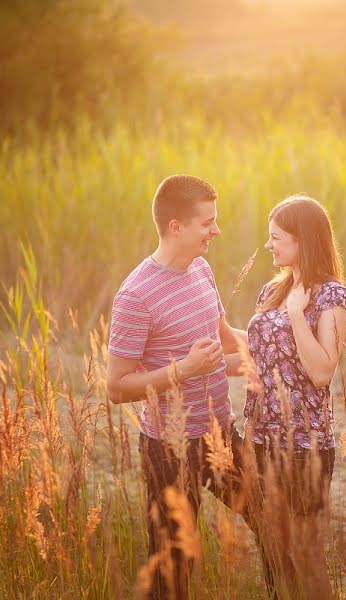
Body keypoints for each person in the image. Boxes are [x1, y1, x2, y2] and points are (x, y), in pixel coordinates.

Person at [105, 174, 249, 600]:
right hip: (167, 450)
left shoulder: (201, 269)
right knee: (171, 572)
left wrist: (277, 347)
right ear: (177, 227)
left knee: (274, 521)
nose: (216, 231)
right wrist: (184, 370)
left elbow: (226, 339)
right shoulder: (135, 296)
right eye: (208, 223)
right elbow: (116, 387)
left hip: (221, 434)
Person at [244, 194, 346, 600]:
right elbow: (261, 350)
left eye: (276, 237)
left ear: (302, 240)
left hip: (304, 446)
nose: (269, 245)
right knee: (274, 553)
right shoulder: (273, 289)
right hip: (260, 440)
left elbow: (322, 370)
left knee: (307, 555)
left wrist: (295, 314)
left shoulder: (331, 296)